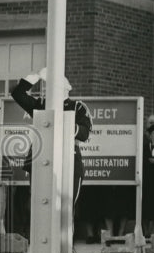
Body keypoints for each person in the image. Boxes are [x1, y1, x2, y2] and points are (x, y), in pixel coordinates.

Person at [10, 69, 93, 237]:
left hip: (68, 160)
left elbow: (85, 133)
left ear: (65, 88)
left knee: (66, 206)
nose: (49, 90)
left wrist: (65, 123)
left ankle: (64, 244)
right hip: (43, 159)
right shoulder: (41, 105)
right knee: (40, 204)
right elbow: (18, 94)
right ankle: (42, 241)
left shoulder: (77, 106)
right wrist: (33, 77)